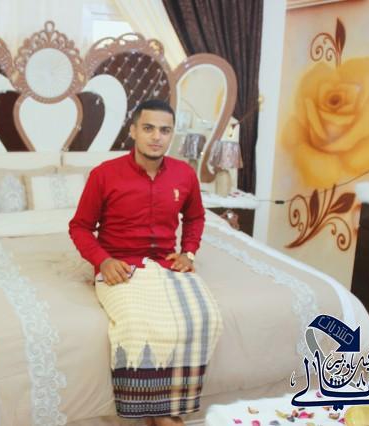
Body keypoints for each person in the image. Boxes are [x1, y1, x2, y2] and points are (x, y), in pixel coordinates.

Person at [69, 99, 223, 426]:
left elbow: (195, 217)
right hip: (120, 268)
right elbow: (79, 226)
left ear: (171, 134)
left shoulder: (184, 174)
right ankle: (154, 414)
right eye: (148, 128)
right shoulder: (104, 175)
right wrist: (103, 261)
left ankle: (170, 408)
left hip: (166, 265)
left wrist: (188, 252)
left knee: (204, 317)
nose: (156, 137)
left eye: (164, 130)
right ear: (134, 131)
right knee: (135, 327)